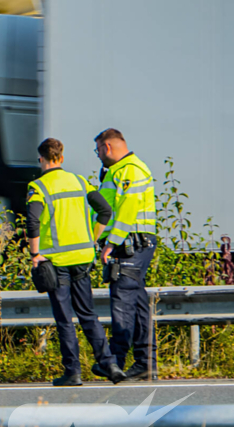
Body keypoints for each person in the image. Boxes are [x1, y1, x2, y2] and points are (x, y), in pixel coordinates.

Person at [27, 138, 126, 386]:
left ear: (42, 159)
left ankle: (73, 372)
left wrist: (34, 254)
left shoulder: (38, 187)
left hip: (56, 262)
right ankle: (110, 364)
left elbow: (32, 221)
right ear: (61, 157)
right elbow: (105, 210)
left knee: (64, 318)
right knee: (88, 314)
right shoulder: (80, 181)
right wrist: (92, 239)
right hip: (83, 258)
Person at [95, 128, 158, 381]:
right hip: (134, 242)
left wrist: (112, 242)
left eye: (98, 150)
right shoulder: (120, 171)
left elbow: (127, 210)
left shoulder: (130, 170)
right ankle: (145, 363)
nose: (98, 156)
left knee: (122, 300)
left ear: (107, 147)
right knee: (137, 302)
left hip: (131, 243)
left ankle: (115, 361)